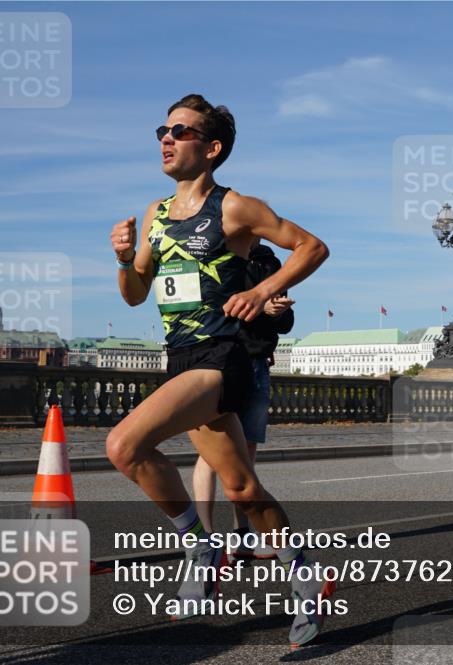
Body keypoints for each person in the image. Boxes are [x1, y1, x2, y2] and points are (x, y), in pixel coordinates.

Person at [106, 94, 331, 645]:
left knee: (123, 446)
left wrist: (262, 289)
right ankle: (306, 575)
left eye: (180, 131)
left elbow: (311, 247)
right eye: (163, 128)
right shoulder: (156, 215)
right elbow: (136, 295)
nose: (166, 137)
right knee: (241, 487)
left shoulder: (234, 208)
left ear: (211, 148)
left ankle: (199, 545)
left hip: (222, 358)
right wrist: (121, 258)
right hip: (180, 359)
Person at [192, 244, 294, 560]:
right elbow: (209, 309)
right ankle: (205, 540)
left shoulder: (269, 262)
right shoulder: (217, 258)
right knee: (212, 454)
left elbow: (285, 324)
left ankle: (242, 539)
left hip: (259, 361)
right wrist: (260, 309)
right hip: (225, 361)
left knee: (246, 455)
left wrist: (280, 312)